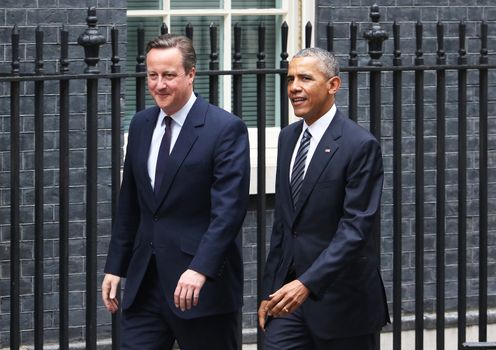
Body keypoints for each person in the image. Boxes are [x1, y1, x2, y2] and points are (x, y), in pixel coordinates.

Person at [101, 34, 250, 350]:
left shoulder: (225, 129)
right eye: (152, 75)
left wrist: (200, 268)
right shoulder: (141, 124)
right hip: (145, 285)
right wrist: (116, 265)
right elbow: (131, 202)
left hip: (200, 288)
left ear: (191, 74)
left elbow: (229, 212)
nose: (159, 85)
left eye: (168, 75)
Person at [258, 47, 390, 350]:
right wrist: (269, 291)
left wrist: (307, 284)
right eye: (290, 79)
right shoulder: (288, 138)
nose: (294, 87)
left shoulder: (360, 145)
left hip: (343, 301)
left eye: (305, 78)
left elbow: (355, 229)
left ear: (333, 85)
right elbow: (284, 224)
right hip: (289, 299)